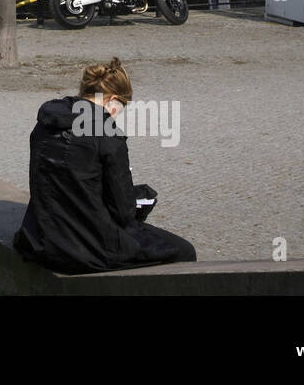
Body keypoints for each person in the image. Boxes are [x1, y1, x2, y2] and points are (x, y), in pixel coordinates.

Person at [13, 59, 196, 274]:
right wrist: (137, 199)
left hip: (39, 242)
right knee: (185, 252)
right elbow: (122, 212)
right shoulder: (107, 134)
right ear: (113, 100)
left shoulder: (45, 124)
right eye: (120, 109)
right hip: (87, 250)